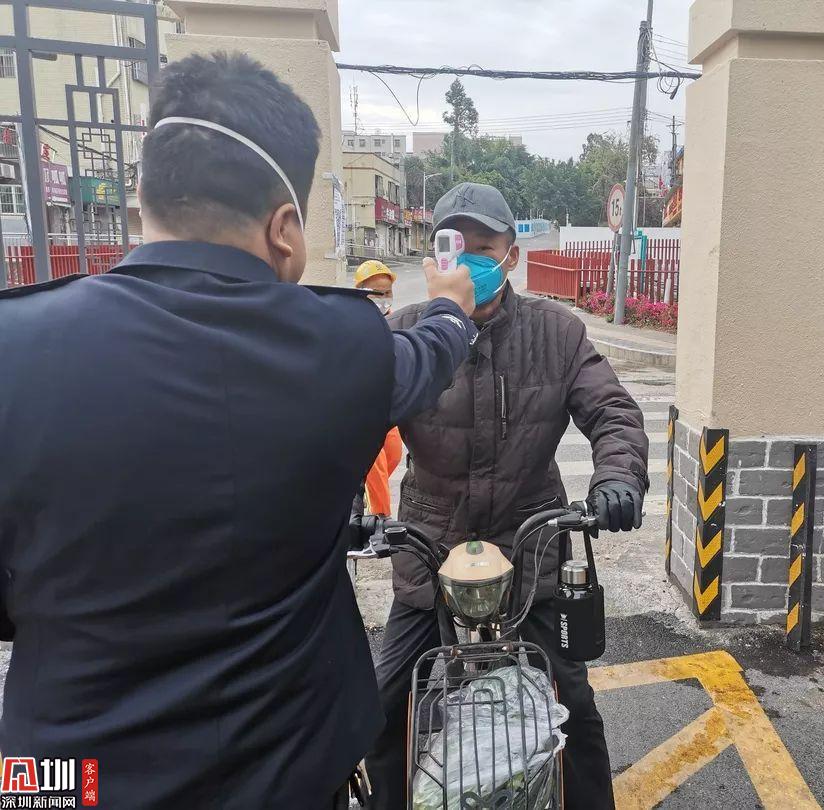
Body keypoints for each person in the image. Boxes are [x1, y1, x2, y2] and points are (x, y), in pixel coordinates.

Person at [0, 53, 476, 809]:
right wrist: (452, 305)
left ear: (144, 194)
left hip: (71, 779)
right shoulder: (342, 347)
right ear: (283, 228)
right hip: (289, 769)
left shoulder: (15, 345)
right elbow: (428, 357)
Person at [367, 182, 649, 809]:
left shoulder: (558, 333)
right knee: (386, 706)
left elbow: (613, 412)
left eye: (484, 248)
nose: (469, 262)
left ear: (511, 257)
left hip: (530, 554)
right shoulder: (405, 334)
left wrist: (618, 477)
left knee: (574, 708)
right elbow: (352, 424)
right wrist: (340, 507)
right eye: (456, 247)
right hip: (430, 553)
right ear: (434, 257)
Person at [353, 260, 402, 517]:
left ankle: (363, 494)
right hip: (362, 410)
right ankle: (381, 518)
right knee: (376, 467)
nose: (383, 298)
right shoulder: (351, 320)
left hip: (388, 406)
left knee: (393, 454)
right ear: (360, 291)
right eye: (376, 292)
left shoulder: (395, 320)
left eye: (387, 292)